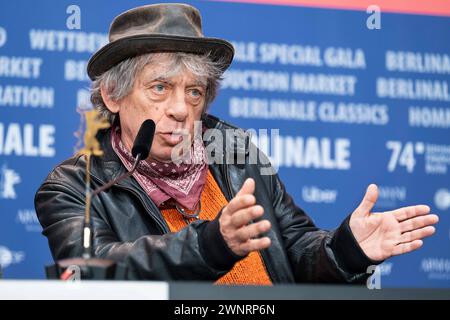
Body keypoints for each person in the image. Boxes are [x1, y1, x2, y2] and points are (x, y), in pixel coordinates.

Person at [35, 3, 438, 284]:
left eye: (194, 92)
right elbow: (92, 271)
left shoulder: (234, 150)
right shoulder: (76, 187)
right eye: (160, 88)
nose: (181, 109)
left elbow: (295, 249)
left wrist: (348, 250)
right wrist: (212, 244)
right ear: (112, 96)